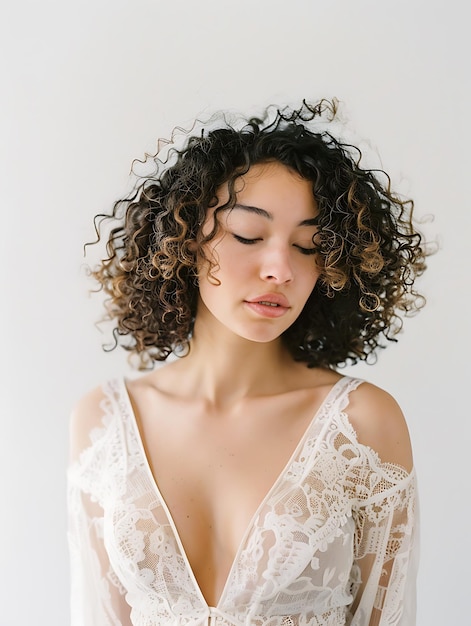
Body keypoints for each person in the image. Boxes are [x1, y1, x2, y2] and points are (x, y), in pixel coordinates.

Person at [68, 99, 427, 626]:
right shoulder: (103, 424)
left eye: (309, 245)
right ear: (185, 240)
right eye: (247, 236)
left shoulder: (361, 426)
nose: (280, 268)